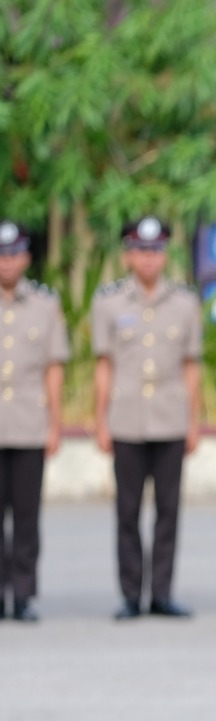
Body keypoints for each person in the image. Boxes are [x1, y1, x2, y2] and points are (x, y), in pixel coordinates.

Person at [92, 215, 202, 619]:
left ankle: (161, 593)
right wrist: (100, 420)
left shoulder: (185, 302)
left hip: (171, 419)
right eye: (141, 250)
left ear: (165, 254)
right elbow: (103, 365)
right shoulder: (108, 302)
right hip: (127, 420)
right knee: (127, 511)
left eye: (156, 250)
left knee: (169, 512)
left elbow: (192, 366)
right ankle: (129, 595)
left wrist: (194, 421)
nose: (149, 258)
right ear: (128, 255)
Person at [0, 221, 68, 622]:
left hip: (28, 423)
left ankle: (23, 594)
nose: (7, 263)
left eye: (14, 254)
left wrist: (54, 423)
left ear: (26, 257)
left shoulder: (45, 304)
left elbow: (53, 369)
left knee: (26, 515)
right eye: (1, 255)